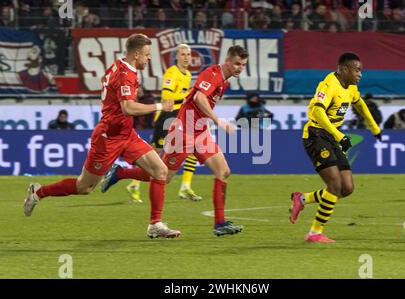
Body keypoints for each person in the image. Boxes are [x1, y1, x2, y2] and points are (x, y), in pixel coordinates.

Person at [23, 33, 181, 239]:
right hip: (108, 137)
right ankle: (38, 192)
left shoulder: (119, 65)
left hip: (126, 134)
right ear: (135, 54)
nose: (148, 58)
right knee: (84, 187)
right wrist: (160, 106)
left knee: (161, 171)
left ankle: (155, 224)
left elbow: (113, 92)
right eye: (146, 55)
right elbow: (127, 108)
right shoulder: (126, 74)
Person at [102, 45, 249, 237]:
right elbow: (199, 98)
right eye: (237, 63)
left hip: (199, 132)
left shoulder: (224, 81)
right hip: (183, 131)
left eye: (243, 65)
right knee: (164, 176)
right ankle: (120, 173)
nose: (239, 68)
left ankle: (219, 223)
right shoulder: (212, 74)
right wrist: (217, 120)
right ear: (228, 61)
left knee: (223, 171)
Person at [289, 53, 382, 243]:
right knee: (335, 185)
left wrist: (374, 127)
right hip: (316, 135)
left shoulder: (351, 88)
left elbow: (361, 105)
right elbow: (317, 111)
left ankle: (303, 199)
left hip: (332, 137)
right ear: (345, 69)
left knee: (346, 188)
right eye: (357, 70)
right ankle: (315, 233)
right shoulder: (329, 84)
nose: (360, 75)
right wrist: (340, 135)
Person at [125, 44, 203, 203]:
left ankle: (185, 187)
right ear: (177, 57)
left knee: (194, 147)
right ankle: (134, 184)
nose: (186, 57)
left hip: (180, 117)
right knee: (155, 154)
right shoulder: (171, 73)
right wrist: (188, 95)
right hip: (167, 117)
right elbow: (167, 96)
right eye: (183, 54)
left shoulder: (187, 74)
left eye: (188, 54)